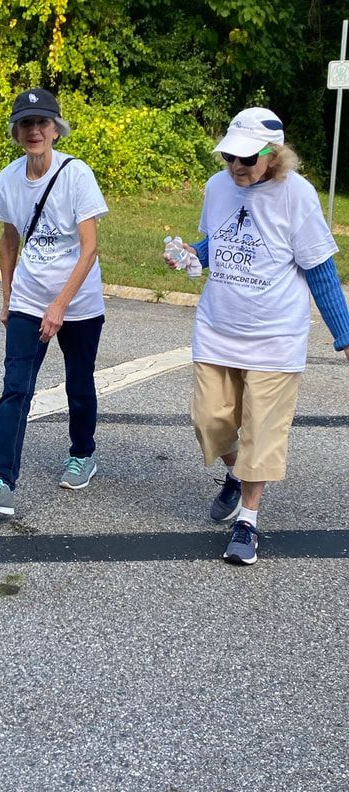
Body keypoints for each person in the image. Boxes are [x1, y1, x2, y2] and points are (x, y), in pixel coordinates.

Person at [164, 107, 349, 565]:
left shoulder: (296, 194)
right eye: (229, 156)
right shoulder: (218, 186)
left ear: (274, 155)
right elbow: (221, 240)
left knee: (262, 434)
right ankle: (235, 474)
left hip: (275, 337)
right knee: (209, 421)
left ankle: (247, 520)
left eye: (246, 159)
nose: (236, 166)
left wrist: (344, 336)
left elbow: (320, 270)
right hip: (218, 328)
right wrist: (193, 254)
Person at [0, 88, 108, 516]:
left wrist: (60, 305)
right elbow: (8, 241)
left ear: (55, 130)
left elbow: (89, 248)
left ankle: (82, 453)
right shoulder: (9, 179)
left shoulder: (76, 174)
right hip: (28, 299)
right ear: (16, 132)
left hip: (78, 301)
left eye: (42, 123)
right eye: (25, 124)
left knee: (78, 384)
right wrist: (8, 298)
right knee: (15, 388)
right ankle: (1, 482)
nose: (34, 131)